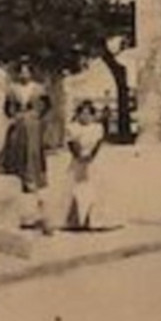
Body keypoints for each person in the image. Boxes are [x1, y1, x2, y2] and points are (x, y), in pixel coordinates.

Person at [0, 61, 49, 193]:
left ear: (31, 74)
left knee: (32, 150)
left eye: (26, 72)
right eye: (21, 72)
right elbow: (6, 107)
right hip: (18, 120)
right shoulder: (13, 88)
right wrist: (12, 116)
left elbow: (48, 105)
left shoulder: (38, 88)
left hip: (33, 122)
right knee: (17, 148)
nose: (24, 74)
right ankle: (17, 177)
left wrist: (38, 114)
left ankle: (32, 179)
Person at [64, 99, 108, 231]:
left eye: (88, 114)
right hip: (78, 162)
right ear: (78, 115)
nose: (85, 117)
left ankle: (93, 220)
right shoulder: (73, 128)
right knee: (77, 190)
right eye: (82, 114)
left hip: (93, 162)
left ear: (92, 115)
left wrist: (91, 156)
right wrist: (79, 156)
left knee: (94, 189)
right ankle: (75, 221)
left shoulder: (97, 128)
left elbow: (98, 144)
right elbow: (71, 144)